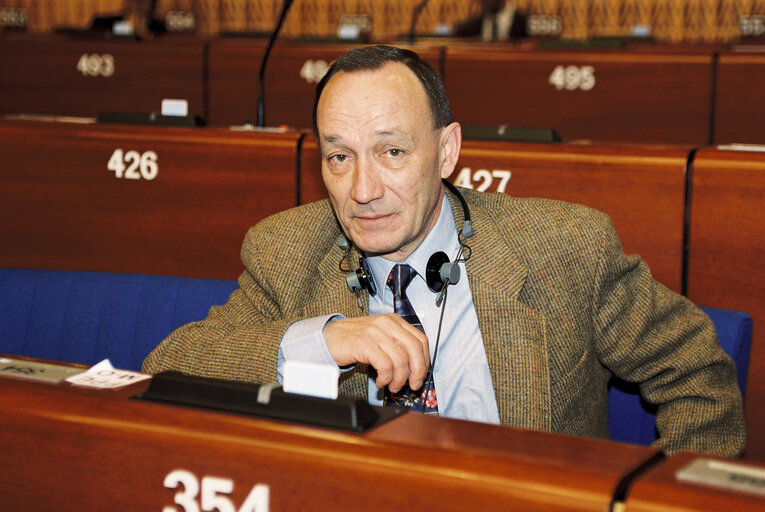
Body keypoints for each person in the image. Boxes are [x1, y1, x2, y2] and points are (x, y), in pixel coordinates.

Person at [142, 45, 744, 457]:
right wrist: (322, 340)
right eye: (339, 156)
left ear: (447, 151)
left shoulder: (562, 248)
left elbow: (697, 373)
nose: (363, 190)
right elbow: (167, 366)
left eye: (393, 152)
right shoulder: (286, 250)